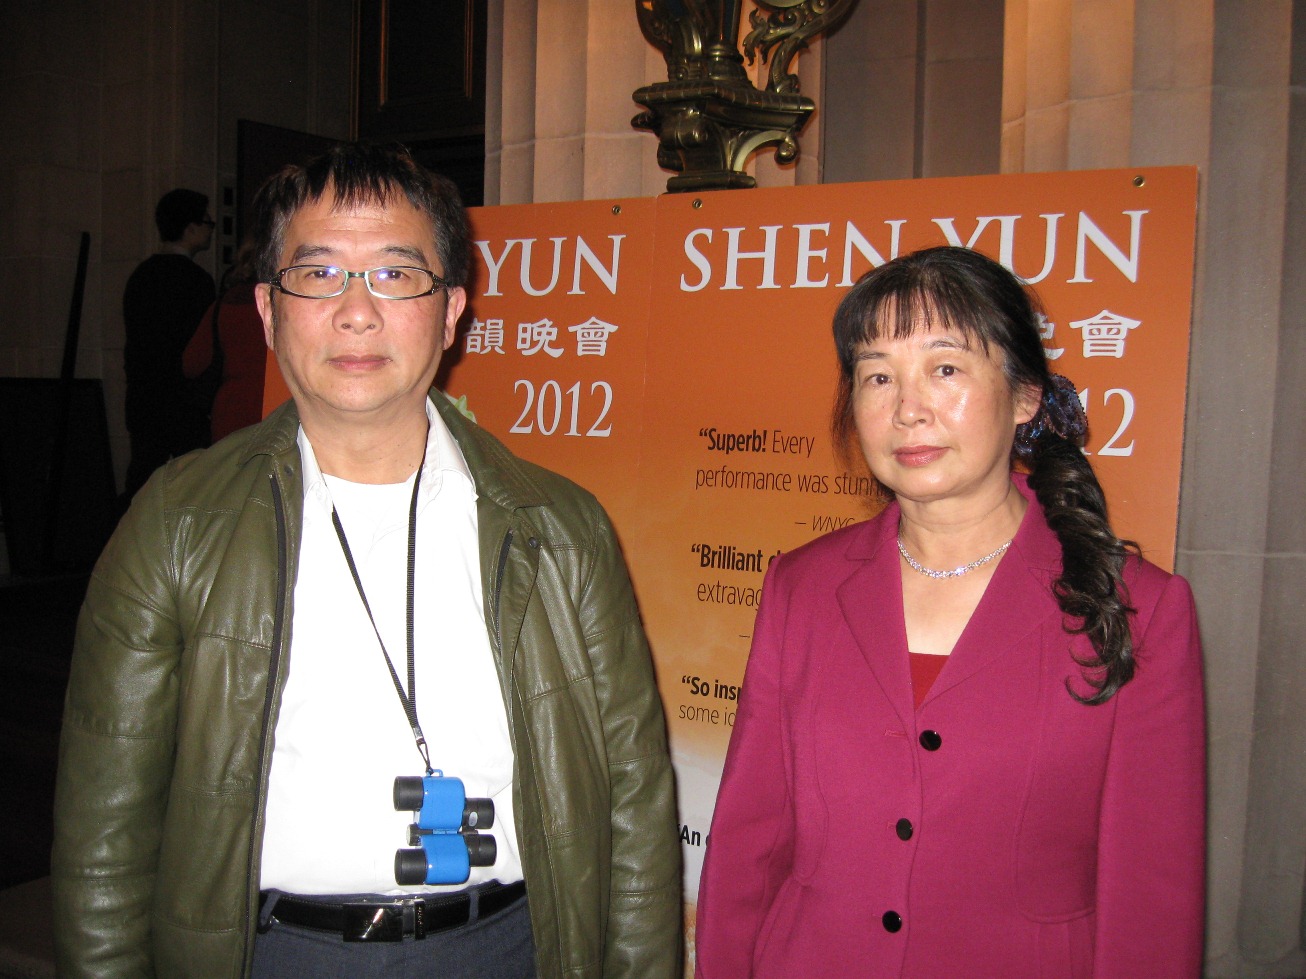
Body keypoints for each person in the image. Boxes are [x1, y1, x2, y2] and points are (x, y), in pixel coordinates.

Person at [52, 142, 682, 979]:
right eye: (318, 274)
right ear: (269, 312)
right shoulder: (176, 524)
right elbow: (104, 841)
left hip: (515, 947)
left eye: (395, 274)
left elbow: (634, 801)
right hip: (271, 954)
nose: (357, 312)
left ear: (451, 311)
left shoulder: (561, 528)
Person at [694, 246, 1205, 978]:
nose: (908, 409)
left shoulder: (1140, 609)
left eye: (945, 368)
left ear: (1025, 395)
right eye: (878, 376)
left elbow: (1150, 899)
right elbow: (750, 839)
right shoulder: (801, 586)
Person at [121, 187, 217, 498]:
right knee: (194, 487)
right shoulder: (196, 281)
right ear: (190, 228)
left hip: (145, 399)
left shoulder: (140, 276)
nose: (211, 229)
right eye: (207, 222)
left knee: (142, 485)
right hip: (183, 403)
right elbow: (203, 350)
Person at [184, 240, 270, 441]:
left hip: (230, 412)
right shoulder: (285, 309)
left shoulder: (223, 306)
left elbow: (191, 364)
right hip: (276, 411)